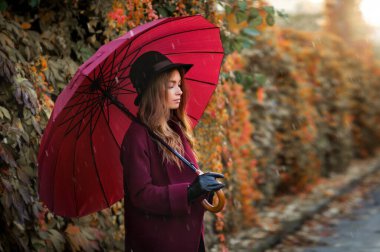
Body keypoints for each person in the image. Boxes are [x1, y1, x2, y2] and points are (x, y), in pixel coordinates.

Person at [120, 51, 225, 252]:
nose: (180, 92)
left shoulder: (176, 129)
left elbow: (183, 177)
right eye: (171, 86)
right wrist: (188, 192)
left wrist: (202, 188)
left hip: (188, 239)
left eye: (179, 84)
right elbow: (141, 195)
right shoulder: (137, 137)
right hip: (161, 242)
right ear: (154, 90)